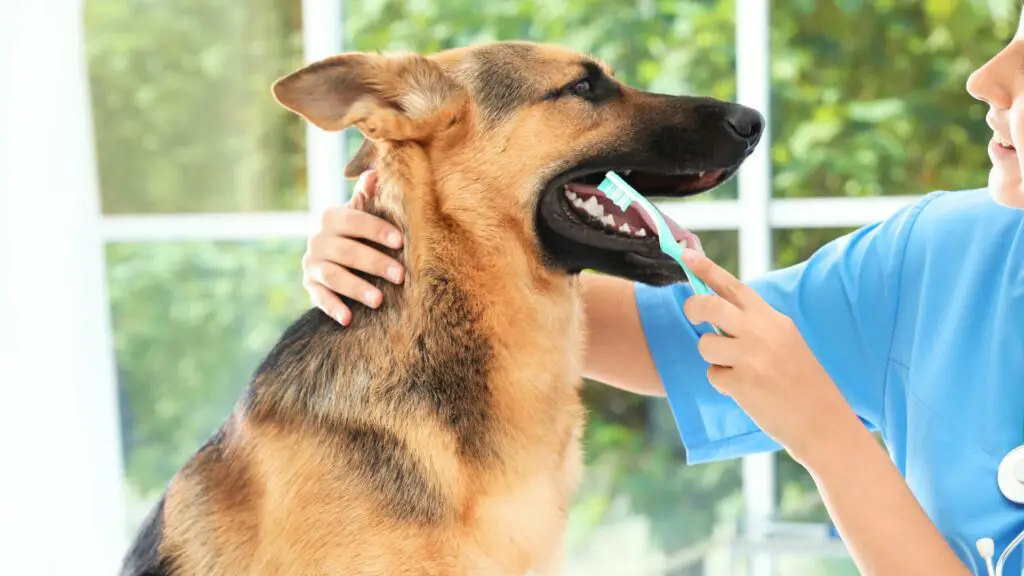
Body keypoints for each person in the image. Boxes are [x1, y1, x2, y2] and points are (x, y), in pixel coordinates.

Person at [299, 15, 1024, 576]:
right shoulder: (942, 257)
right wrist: (410, 259)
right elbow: (666, 338)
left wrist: (826, 437)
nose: (985, 78)